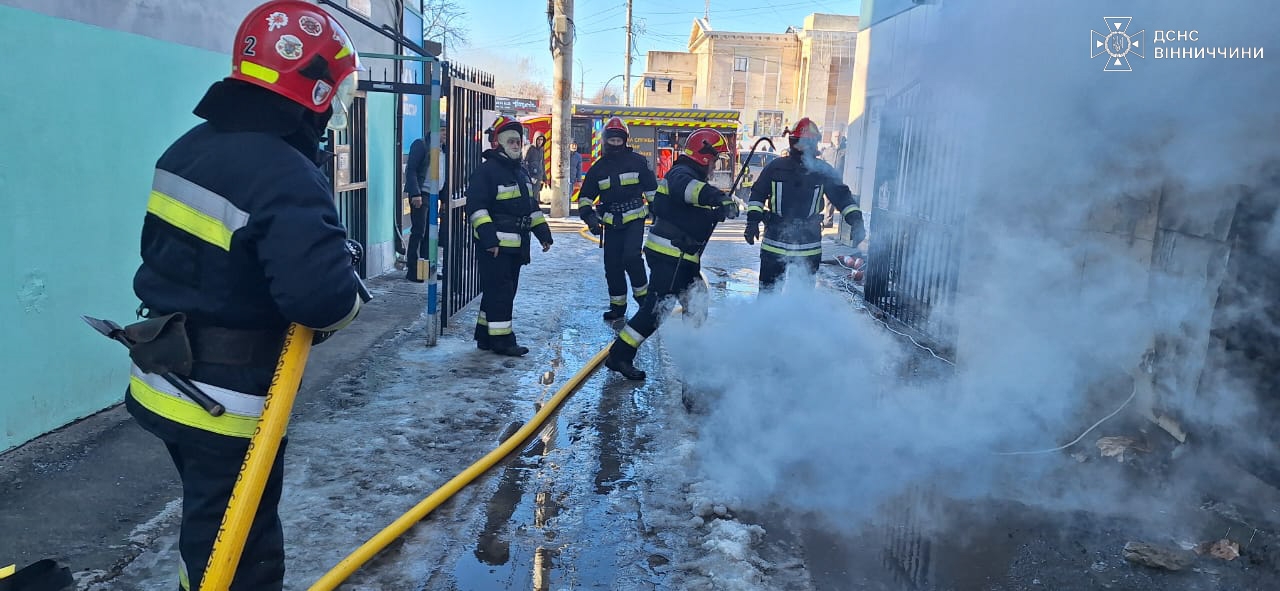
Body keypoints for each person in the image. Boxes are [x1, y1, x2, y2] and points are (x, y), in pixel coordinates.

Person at [123, 3, 364, 589]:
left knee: (206, 532)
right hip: (226, 399)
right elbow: (322, 301)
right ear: (313, 89)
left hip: (163, 375)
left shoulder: (185, 148)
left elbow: (195, 260)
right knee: (241, 550)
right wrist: (346, 281)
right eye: (336, 92)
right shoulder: (284, 171)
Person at [604, 128, 738, 380]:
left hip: (680, 258)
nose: (716, 164)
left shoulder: (687, 173)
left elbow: (686, 213)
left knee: (696, 303)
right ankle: (619, 355)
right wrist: (719, 199)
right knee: (656, 311)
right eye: (716, 157)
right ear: (705, 156)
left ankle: (693, 355)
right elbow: (689, 191)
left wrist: (712, 213)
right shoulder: (682, 174)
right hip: (671, 256)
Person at [745, 117, 865, 291]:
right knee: (786, 297)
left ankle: (777, 318)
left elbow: (843, 197)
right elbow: (757, 195)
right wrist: (752, 222)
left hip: (791, 245)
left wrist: (856, 221)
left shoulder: (787, 167)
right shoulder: (780, 167)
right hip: (790, 244)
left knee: (776, 295)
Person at [467, 116, 554, 356]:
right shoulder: (486, 172)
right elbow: (477, 209)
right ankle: (502, 341)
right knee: (501, 294)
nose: (517, 145)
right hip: (496, 248)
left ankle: (485, 336)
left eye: (519, 141)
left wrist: (543, 234)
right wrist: (490, 240)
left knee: (499, 293)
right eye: (511, 141)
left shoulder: (521, 172)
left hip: (516, 247)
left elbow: (531, 207)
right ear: (499, 143)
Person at [578, 117, 659, 320]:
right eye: (611, 140)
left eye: (618, 140)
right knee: (612, 265)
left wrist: (658, 214)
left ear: (625, 140)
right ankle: (617, 307)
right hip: (611, 223)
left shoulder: (638, 162)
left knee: (631, 258)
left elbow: (652, 191)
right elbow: (585, 199)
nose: (615, 144)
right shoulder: (598, 169)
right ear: (605, 141)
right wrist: (590, 219)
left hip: (634, 219)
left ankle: (644, 303)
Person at [403, 137, 429, 281]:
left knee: (430, 235)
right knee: (419, 232)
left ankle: (425, 270)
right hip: (421, 194)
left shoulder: (445, 149)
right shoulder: (422, 144)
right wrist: (415, 193)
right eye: (442, 130)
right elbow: (411, 170)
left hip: (434, 194)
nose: (445, 134)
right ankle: (413, 271)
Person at [522, 132, 547, 197]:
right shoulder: (530, 148)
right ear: (535, 139)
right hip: (531, 177)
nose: (540, 141)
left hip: (538, 177)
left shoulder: (541, 149)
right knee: (530, 196)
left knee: (535, 196)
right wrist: (528, 176)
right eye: (538, 139)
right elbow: (523, 162)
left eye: (541, 140)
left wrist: (545, 178)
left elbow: (542, 163)